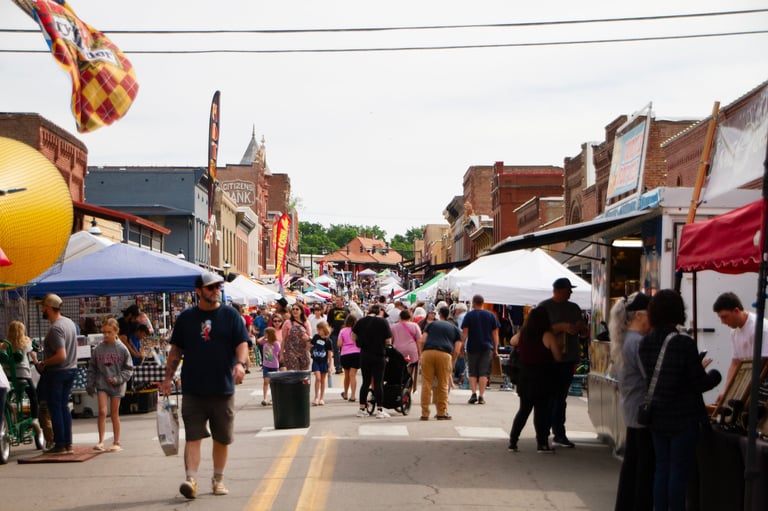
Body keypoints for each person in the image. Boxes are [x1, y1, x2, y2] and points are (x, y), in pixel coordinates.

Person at [161, 271, 250, 499]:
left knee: (222, 438)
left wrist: (240, 364)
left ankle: (218, 479)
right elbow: (176, 351)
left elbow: (242, 344)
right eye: (210, 287)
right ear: (198, 291)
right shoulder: (186, 318)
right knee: (193, 436)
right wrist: (168, 379)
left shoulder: (230, 316)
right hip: (193, 389)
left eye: (217, 286)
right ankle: (191, 480)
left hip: (222, 388)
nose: (215, 290)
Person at [638, 289, 721, 511]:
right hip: (683, 417)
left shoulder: (645, 342)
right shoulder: (683, 342)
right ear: (677, 311)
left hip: (656, 415)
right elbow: (698, 383)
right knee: (678, 470)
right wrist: (715, 376)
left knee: (662, 467)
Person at [608, 292, 654, 511]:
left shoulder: (626, 338)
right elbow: (651, 377)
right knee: (641, 466)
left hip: (631, 407)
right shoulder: (638, 342)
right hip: (641, 410)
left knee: (632, 464)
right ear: (639, 315)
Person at [538, 278, 588, 448]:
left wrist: (580, 328)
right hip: (549, 358)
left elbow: (583, 334)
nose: (571, 292)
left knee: (561, 397)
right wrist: (560, 327)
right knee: (549, 397)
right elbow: (537, 331)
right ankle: (545, 433)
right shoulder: (544, 307)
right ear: (558, 290)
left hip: (568, 358)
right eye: (568, 289)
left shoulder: (574, 308)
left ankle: (559, 432)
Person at [507, 307, 563, 453]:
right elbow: (558, 357)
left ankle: (513, 441)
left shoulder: (523, 334)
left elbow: (513, 341)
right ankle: (542, 443)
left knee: (523, 410)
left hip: (525, 377)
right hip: (543, 377)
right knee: (541, 412)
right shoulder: (547, 335)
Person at [34, 293, 78, 455]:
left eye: (43, 306)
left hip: (58, 372)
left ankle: (60, 443)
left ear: (49, 308)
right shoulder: (69, 323)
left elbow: (61, 355)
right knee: (63, 407)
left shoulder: (55, 328)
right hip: (70, 370)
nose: (42, 309)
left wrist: (44, 363)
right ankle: (68, 443)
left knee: (55, 407)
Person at [86, 318, 134, 452]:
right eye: (104, 332)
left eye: (109, 332)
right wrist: (90, 384)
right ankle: (101, 440)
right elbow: (92, 367)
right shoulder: (98, 349)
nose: (106, 335)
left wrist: (118, 379)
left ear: (116, 331)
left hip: (117, 385)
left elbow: (129, 369)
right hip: (102, 382)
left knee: (114, 413)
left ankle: (116, 441)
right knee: (102, 411)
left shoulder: (122, 349)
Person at [712, 291, 768, 404]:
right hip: (750, 379)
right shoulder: (734, 331)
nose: (722, 322)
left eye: (724, 317)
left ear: (736, 311)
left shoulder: (760, 328)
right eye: (720, 318)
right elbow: (735, 362)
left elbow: (764, 364)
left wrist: (743, 391)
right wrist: (726, 391)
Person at [418, 306, 463, 421]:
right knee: (443, 384)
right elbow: (457, 350)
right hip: (445, 355)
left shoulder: (431, 325)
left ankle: (425, 413)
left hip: (428, 353)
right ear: (449, 315)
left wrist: (422, 354)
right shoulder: (455, 329)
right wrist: (451, 361)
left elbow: (422, 340)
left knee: (426, 384)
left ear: (439, 314)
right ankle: (441, 412)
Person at [352, 304, 393, 419]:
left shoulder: (361, 321)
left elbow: (353, 336)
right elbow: (388, 340)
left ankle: (362, 408)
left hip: (365, 355)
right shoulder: (383, 322)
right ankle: (380, 410)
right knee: (378, 382)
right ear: (380, 311)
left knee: (365, 382)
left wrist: (361, 343)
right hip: (378, 355)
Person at [461, 294, 500, 405]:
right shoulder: (491, 315)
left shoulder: (469, 315)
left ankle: (473, 394)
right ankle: (481, 396)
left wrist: (461, 348)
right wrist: (496, 348)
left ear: (473, 303)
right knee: (484, 372)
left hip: (472, 346)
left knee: (472, 371)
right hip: (487, 347)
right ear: (483, 303)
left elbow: (464, 333)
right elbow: (495, 334)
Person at [6, 321, 41, 433]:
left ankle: (7, 408)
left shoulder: (4, 345)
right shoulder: (26, 343)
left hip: (8, 378)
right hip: (24, 377)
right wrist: (36, 362)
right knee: (34, 396)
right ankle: (35, 419)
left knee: (8, 396)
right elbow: (34, 356)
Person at [391, 309, 422, 393]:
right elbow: (419, 341)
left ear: (400, 316)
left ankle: (397, 389)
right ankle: (407, 392)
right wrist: (420, 353)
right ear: (410, 317)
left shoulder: (393, 326)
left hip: (397, 352)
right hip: (411, 352)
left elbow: (391, 340)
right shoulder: (415, 326)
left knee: (398, 370)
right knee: (409, 372)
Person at [281, 304, 312, 371]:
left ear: (301, 311)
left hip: (303, 350)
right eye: (293, 309)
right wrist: (281, 354)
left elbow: (310, 338)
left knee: (304, 373)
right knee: (294, 373)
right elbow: (284, 339)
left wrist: (307, 347)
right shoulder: (287, 322)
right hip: (291, 351)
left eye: (297, 309)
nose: (295, 311)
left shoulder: (306, 322)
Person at [310, 321, 334, 405]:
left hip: (324, 362)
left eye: (319, 329)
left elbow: (330, 355)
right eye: (317, 329)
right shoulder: (316, 337)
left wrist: (330, 366)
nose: (318, 331)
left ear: (324, 329)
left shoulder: (328, 341)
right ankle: (316, 397)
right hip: (316, 361)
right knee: (318, 378)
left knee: (323, 380)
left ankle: (321, 398)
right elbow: (310, 344)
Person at [338, 314, 360, 402]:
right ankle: (353, 395)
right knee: (353, 375)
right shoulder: (357, 331)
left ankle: (346, 393)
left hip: (345, 353)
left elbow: (339, 344)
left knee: (346, 375)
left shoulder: (343, 331)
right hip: (357, 353)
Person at [258, 327, 281, 406]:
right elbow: (258, 341)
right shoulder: (265, 341)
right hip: (266, 365)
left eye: (266, 333)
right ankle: (264, 398)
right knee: (266, 382)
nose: (265, 335)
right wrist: (264, 337)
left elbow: (278, 352)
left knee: (273, 383)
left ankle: (273, 398)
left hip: (274, 365)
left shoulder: (276, 343)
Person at [327, 295, 350, 374]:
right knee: (336, 350)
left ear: (342, 300)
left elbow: (350, 321)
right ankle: (338, 367)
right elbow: (329, 322)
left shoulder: (346, 310)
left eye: (338, 300)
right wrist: (329, 330)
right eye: (336, 300)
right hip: (335, 333)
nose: (336, 302)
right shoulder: (332, 311)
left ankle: (344, 365)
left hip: (345, 334)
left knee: (344, 350)